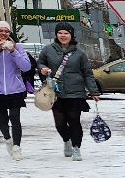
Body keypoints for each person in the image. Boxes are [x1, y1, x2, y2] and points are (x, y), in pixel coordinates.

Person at [37, 23, 100, 160]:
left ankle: (77, 148)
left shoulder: (79, 53)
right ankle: (67, 140)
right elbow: (40, 63)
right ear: (56, 34)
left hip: (75, 92)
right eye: (60, 33)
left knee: (74, 121)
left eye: (66, 33)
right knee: (60, 123)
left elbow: (87, 73)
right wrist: (42, 69)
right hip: (56, 92)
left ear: (71, 35)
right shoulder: (48, 50)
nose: (63, 36)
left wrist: (93, 92)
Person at [0, 21, 34, 160]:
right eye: (0, 31)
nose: (4, 33)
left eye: (7, 31)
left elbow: (26, 66)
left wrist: (13, 51)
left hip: (15, 89)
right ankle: (7, 138)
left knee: (15, 119)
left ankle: (17, 147)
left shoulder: (18, 47)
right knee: (2, 120)